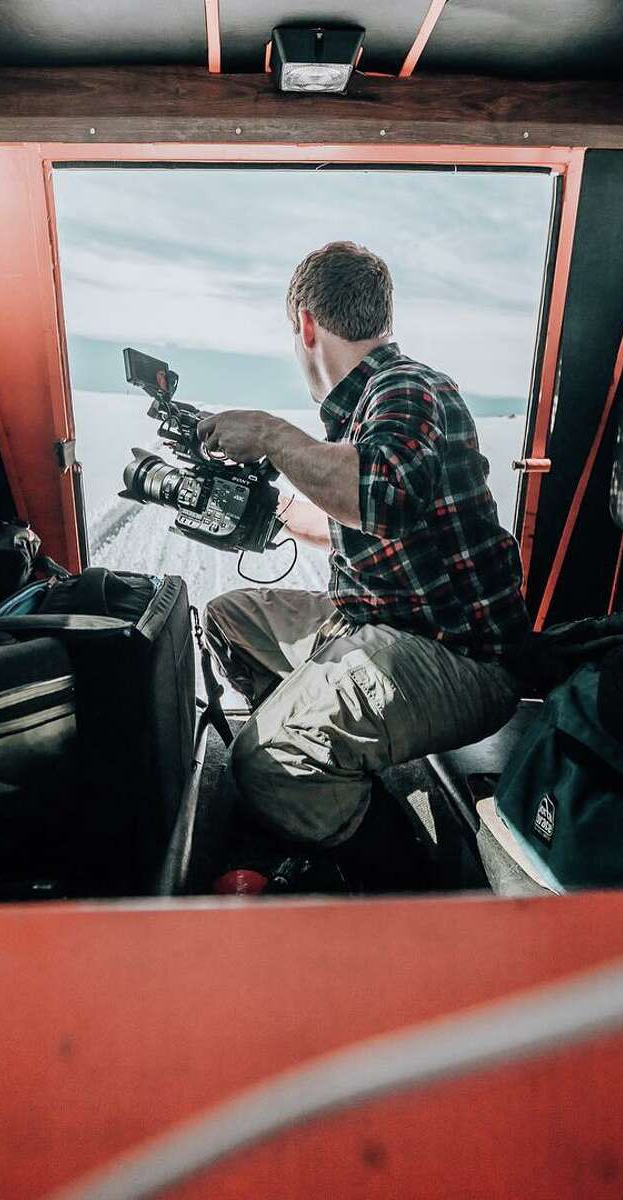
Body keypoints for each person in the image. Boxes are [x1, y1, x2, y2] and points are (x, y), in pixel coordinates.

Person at [198, 240, 528, 858]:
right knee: (229, 618)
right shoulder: (362, 414)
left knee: (266, 762)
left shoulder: (405, 387)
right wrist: (261, 515)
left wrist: (270, 434)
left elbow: (387, 497)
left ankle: (397, 871)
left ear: (305, 324)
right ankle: (333, 768)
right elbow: (364, 522)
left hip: (458, 656)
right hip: (377, 624)